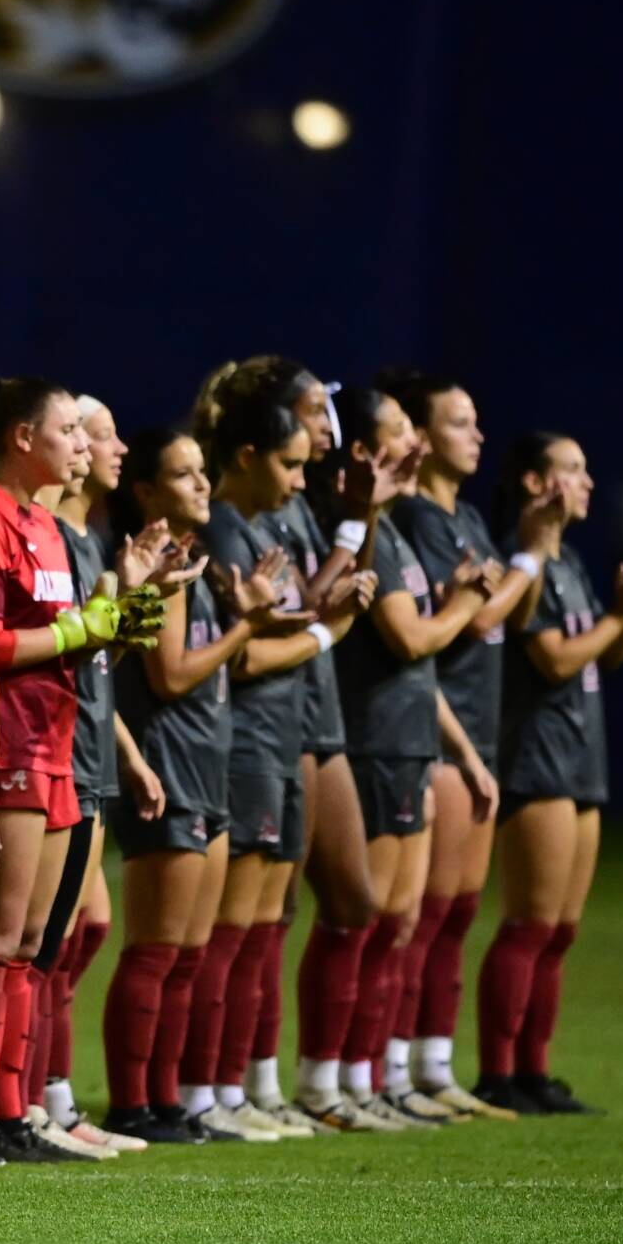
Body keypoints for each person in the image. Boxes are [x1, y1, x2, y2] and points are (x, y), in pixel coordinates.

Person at [473, 435, 623, 1114]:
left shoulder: (566, 559)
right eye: (573, 469)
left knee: (561, 929)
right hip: (537, 756)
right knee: (528, 924)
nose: (588, 481)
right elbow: (558, 660)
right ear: (537, 481)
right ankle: (499, 1074)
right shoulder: (528, 560)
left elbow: (603, 656)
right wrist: (621, 614)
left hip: (578, 756)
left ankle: (536, 1072)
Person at [102, 427, 312, 1143]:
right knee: (157, 950)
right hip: (169, 763)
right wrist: (247, 625)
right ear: (146, 492)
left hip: (205, 762)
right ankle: (134, 1102)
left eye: (201, 472)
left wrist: (272, 614)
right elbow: (172, 674)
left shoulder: (191, 560)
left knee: (190, 953)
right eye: (183, 474)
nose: (201, 485)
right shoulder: (160, 565)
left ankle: (172, 1102)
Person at [188, 365, 380, 1134]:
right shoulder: (228, 527)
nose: (305, 477)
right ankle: (207, 1091)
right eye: (291, 461)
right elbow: (250, 648)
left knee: (264, 926)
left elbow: (286, 616)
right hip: (248, 739)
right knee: (230, 932)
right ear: (244, 454)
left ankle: (245, 1086)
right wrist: (324, 628)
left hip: (282, 734)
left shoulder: (267, 520)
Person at [0, 378, 118, 1163]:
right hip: (10, 743)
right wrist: (78, 629)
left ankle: (16, 1111)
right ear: (22, 437)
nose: (75, 442)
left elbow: (54, 635)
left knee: (31, 943)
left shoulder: (44, 524)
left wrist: (105, 623)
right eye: (64, 429)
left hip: (57, 743)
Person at [326, 383, 499, 1127]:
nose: (419, 445)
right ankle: (332, 1081)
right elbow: (411, 640)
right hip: (373, 744)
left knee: (398, 921)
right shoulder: (375, 530)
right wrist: (465, 602)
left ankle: (381, 1077)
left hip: (409, 742)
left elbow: (422, 672)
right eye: (404, 431)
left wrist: (457, 746)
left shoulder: (392, 531)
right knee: (369, 919)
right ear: (364, 451)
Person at [380, 370, 542, 1118]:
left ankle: (433, 1069)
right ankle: (390, 1070)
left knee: (456, 911)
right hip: (435, 735)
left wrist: (523, 562)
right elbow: (472, 622)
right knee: (420, 913)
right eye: (458, 422)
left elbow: (503, 607)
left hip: (474, 732)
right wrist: (531, 556)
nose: (476, 434)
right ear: (419, 431)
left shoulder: (468, 519)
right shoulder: (414, 519)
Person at [29, 394, 132, 1157]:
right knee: (48, 934)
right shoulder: (48, 534)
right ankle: (35, 1096)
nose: (109, 446)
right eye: (94, 433)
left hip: (90, 749)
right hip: (52, 756)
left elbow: (93, 661)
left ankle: (50, 1093)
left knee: (82, 927)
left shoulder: (87, 538)